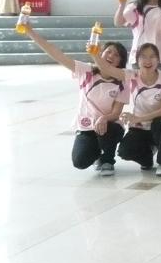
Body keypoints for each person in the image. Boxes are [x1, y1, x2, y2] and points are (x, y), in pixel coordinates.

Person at [25, 22, 128, 176]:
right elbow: (57, 54)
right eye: (108, 51)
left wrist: (104, 118)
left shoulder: (122, 82)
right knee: (79, 161)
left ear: (121, 61)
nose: (111, 56)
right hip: (86, 127)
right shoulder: (86, 71)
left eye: (116, 55)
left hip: (108, 125)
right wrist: (30, 32)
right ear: (100, 53)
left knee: (112, 130)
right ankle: (96, 153)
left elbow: (116, 113)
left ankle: (107, 160)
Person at [89, 42, 161, 176]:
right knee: (125, 151)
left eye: (152, 56)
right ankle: (147, 159)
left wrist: (138, 118)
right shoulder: (132, 75)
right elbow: (107, 69)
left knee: (160, 122)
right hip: (140, 126)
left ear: (158, 60)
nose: (148, 61)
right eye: (143, 57)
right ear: (137, 60)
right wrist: (95, 54)